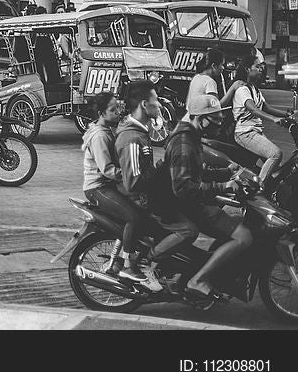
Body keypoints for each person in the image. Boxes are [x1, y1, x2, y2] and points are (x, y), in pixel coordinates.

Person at [161, 94, 253, 305]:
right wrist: (223, 187)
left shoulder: (192, 137)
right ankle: (198, 280)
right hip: (189, 205)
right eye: (214, 119)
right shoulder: (183, 143)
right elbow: (184, 187)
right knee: (244, 237)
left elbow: (199, 173)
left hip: (195, 201)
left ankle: (214, 274)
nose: (218, 124)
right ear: (198, 118)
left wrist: (226, 172)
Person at [116, 81, 198, 287]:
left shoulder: (141, 132)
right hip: (143, 202)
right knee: (189, 230)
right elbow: (133, 181)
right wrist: (160, 176)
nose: (160, 105)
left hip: (150, 196)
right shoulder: (132, 138)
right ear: (145, 104)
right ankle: (146, 261)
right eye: (156, 101)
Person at [83, 92, 157, 289]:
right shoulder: (99, 135)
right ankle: (127, 264)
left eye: (118, 108)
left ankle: (118, 259)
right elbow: (107, 170)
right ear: (101, 113)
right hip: (97, 188)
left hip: (109, 185)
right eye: (112, 110)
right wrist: (131, 174)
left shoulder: (109, 129)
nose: (118, 113)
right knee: (133, 217)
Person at [232, 54, 291, 189]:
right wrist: (274, 119)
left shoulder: (255, 89)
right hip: (245, 133)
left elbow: (266, 108)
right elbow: (253, 109)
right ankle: (257, 189)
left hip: (255, 132)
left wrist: (289, 115)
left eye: (261, 67)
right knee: (276, 154)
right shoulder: (242, 90)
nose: (261, 70)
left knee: (278, 171)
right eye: (257, 67)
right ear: (247, 69)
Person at [185, 48, 244, 113]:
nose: (223, 68)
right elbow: (216, 107)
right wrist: (232, 88)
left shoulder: (196, 77)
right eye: (222, 65)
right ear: (214, 66)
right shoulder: (209, 82)